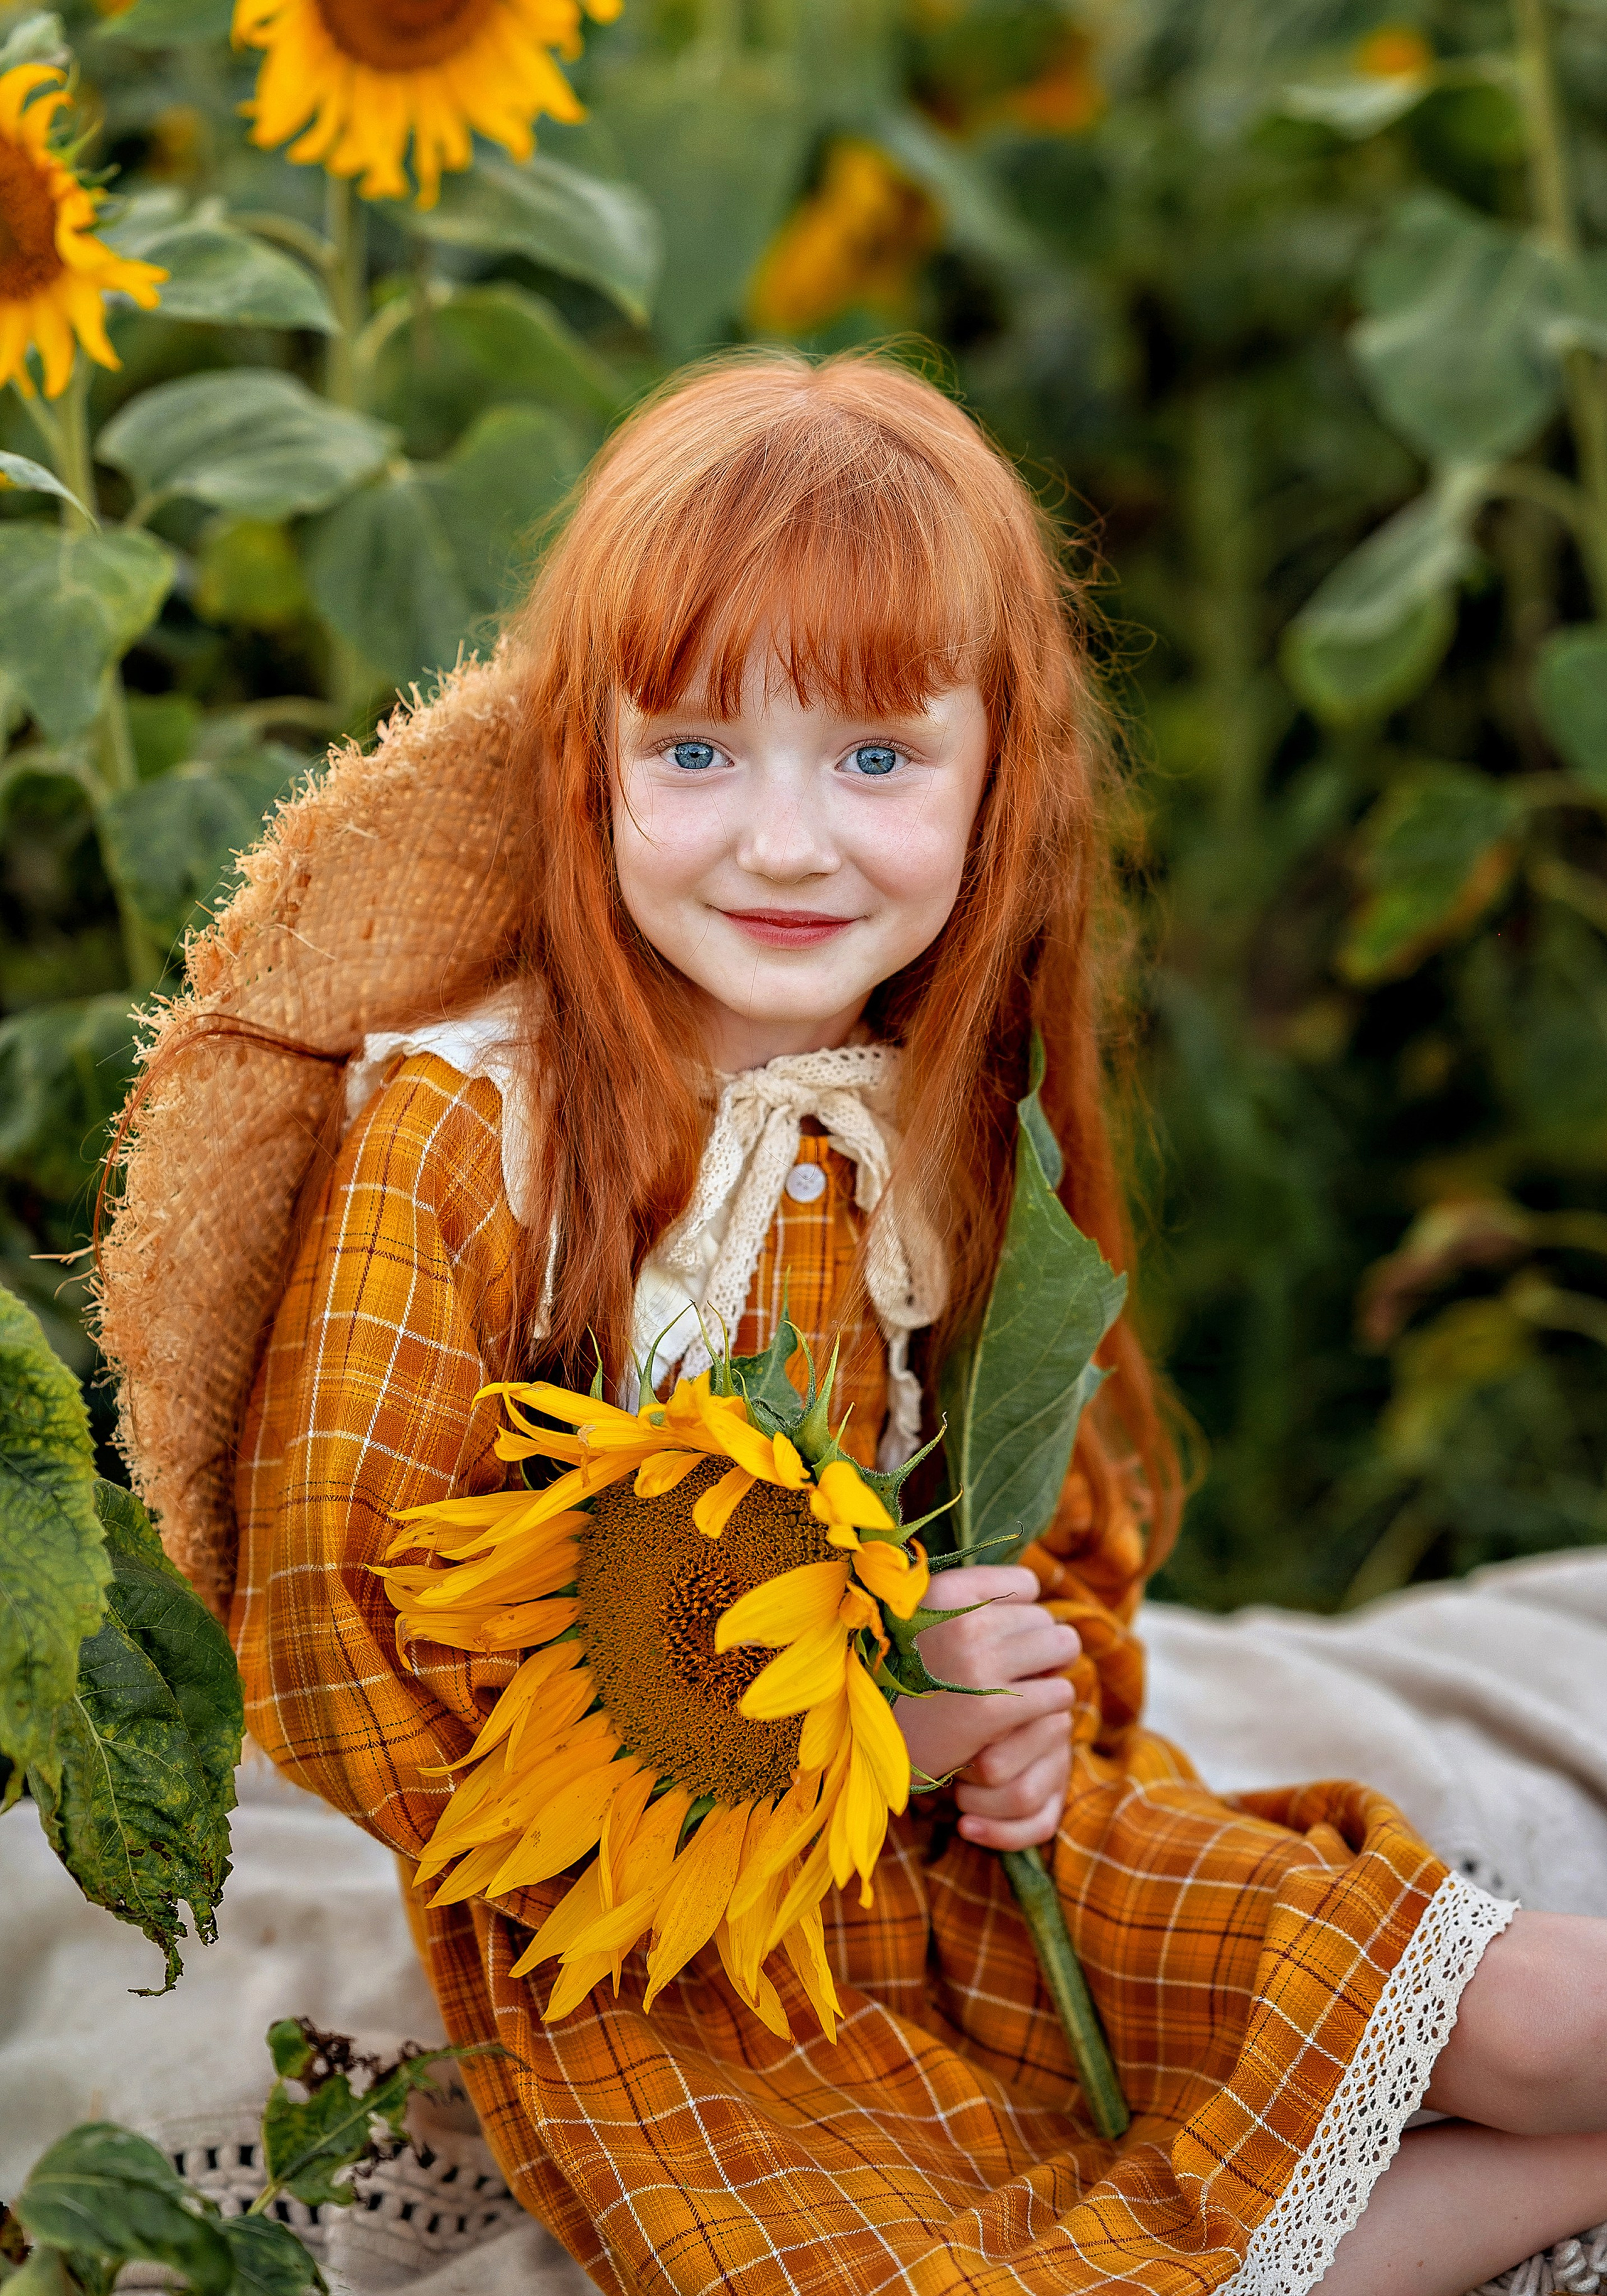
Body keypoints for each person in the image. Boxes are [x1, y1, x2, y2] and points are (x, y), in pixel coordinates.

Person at [100, 350, 1607, 2296]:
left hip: (988, 1870)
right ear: (591, 764)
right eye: (698, 751)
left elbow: (1037, 1538)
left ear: (1004, 776)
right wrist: (859, 1734)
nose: (788, 843)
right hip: (666, 1959)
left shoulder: (944, 1101)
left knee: (1542, 2015)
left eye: (877, 758)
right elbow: (340, 1632)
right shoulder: (466, 1135)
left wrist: (1029, 1696)